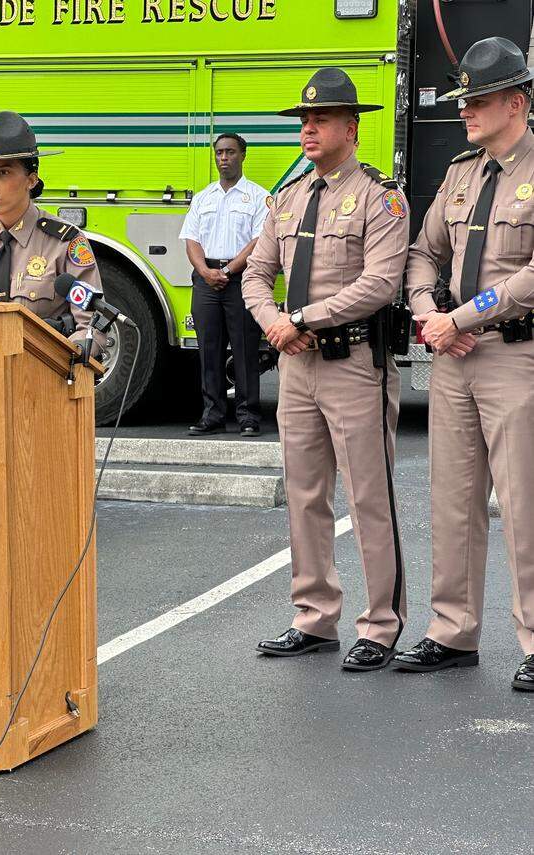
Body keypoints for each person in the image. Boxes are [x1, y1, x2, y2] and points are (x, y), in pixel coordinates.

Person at [241, 68, 410, 671]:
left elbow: (381, 283)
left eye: (321, 119)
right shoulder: (286, 198)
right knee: (305, 494)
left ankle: (382, 624)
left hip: (354, 364)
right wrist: (272, 322)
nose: (308, 128)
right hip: (298, 364)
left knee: (370, 497)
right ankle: (313, 616)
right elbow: (258, 272)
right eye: (304, 120)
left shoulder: (379, 197)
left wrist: (303, 317)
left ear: (352, 127)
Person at [397, 37, 534, 692]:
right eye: (462, 100)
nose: (465, 111)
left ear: (516, 100)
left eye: (477, 100)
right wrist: (429, 311)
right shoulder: (461, 173)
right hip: (452, 355)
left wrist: (463, 316)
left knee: (525, 504)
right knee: (452, 502)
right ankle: (453, 631)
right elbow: (423, 252)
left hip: (514, 355)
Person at [0, 110, 102, 349]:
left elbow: (91, 326)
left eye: (3, 172)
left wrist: (73, 355)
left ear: (31, 180)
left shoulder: (64, 243)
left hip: (42, 377)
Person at [179, 133, 269, 437]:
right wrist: (204, 271)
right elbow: (191, 239)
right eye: (219, 153)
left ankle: (248, 416)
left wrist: (229, 271)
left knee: (245, 349)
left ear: (243, 155)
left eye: (230, 152)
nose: (224, 158)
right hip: (206, 280)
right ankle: (212, 416)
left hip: (241, 279)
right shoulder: (204, 197)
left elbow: (259, 241)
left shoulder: (258, 196)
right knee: (209, 349)